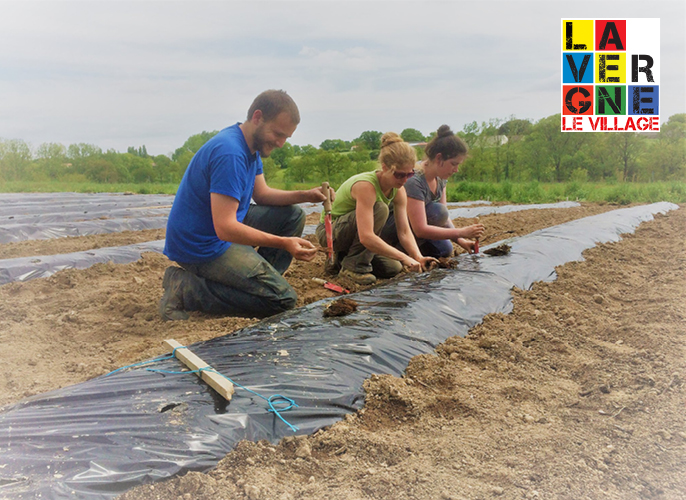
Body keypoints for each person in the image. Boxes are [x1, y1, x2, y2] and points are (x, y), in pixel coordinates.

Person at [160, 89, 331, 320]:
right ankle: (185, 288)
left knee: (293, 216)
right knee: (283, 300)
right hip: (200, 244)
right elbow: (225, 228)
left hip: (216, 229)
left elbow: (262, 195)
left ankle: (260, 285)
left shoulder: (251, 146)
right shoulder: (230, 152)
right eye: (278, 134)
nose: (280, 143)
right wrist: (283, 243)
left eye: (286, 138)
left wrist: (306, 195)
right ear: (258, 117)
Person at [315, 132, 437, 285]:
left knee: (393, 268)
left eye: (410, 174)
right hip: (330, 233)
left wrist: (418, 257)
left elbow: (404, 232)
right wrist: (405, 257)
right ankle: (352, 268)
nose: (405, 180)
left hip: (351, 234)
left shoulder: (399, 190)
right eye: (399, 175)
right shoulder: (366, 187)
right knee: (380, 208)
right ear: (385, 168)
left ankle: (341, 259)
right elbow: (366, 236)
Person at [380, 125, 484, 257]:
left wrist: (461, 241)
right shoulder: (414, 180)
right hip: (392, 228)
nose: (456, 170)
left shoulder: (440, 179)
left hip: (415, 229)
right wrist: (461, 232)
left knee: (445, 250)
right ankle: (398, 252)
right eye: (453, 164)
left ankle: (414, 251)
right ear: (439, 158)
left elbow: (444, 220)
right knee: (437, 211)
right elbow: (420, 229)